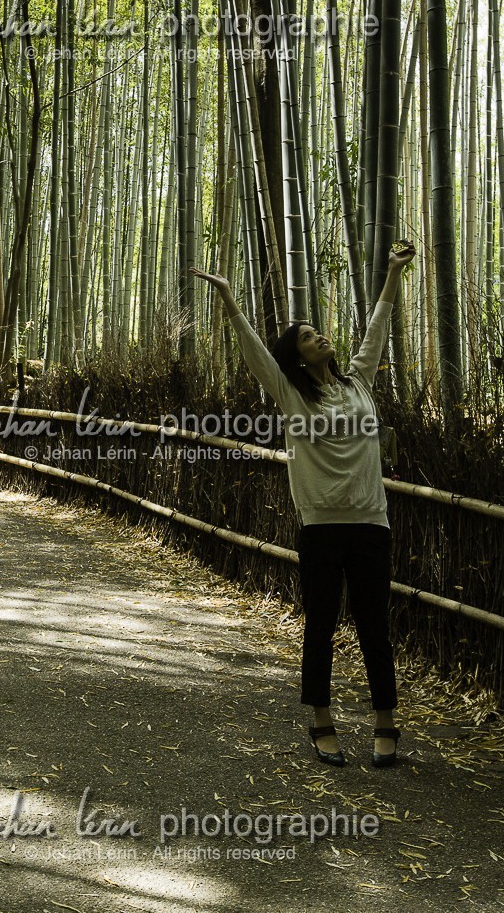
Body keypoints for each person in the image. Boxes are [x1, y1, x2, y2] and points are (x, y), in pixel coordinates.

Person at [191, 240, 417, 768]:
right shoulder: (290, 393)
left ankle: (386, 722)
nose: (322, 336)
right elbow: (253, 350)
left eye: (319, 331)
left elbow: (378, 327)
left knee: (373, 626)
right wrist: (228, 297)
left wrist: (392, 273)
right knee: (320, 624)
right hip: (320, 525)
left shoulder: (358, 379)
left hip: (370, 522)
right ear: (298, 354)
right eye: (311, 336)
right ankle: (321, 720)